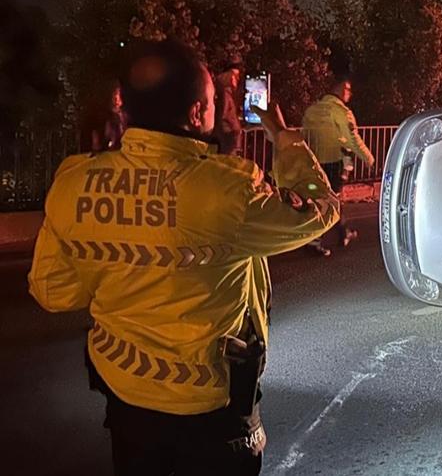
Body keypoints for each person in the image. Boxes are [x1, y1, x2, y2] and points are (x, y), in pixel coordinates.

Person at [27, 39, 340, 475]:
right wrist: (284, 138)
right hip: (212, 408)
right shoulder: (231, 190)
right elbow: (320, 209)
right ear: (197, 114)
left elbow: (54, 293)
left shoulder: (74, 181)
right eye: (214, 101)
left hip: (125, 395)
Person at [302, 74, 376, 256]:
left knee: (325, 199)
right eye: (348, 89)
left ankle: (343, 232)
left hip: (314, 162)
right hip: (334, 163)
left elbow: (306, 135)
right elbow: (353, 139)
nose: (350, 93)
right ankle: (315, 240)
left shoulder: (312, 110)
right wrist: (369, 158)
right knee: (330, 202)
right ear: (341, 88)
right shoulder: (341, 112)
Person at [81, 82, 126, 153]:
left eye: (120, 97)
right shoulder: (103, 118)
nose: (118, 101)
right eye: (115, 96)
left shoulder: (126, 118)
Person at [213, 59, 243, 157]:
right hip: (227, 139)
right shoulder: (224, 94)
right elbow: (222, 114)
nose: (237, 79)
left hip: (229, 138)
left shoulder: (227, 94)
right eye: (235, 75)